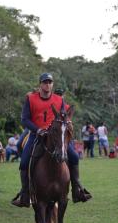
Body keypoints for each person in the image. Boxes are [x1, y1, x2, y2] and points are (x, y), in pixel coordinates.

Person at [11, 72, 92, 207]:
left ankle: (77, 190)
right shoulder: (31, 98)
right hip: (36, 135)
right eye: (45, 82)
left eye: (50, 82)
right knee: (24, 161)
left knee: (74, 157)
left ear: (52, 84)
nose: (47, 84)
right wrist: (37, 130)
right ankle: (25, 195)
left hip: (56, 136)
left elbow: (63, 116)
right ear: (40, 84)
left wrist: (66, 125)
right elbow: (24, 119)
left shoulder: (59, 100)